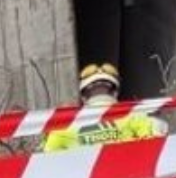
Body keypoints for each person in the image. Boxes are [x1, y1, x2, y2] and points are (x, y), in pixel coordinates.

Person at [40, 63, 169, 151]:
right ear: (115, 92)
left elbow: (48, 157)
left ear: (84, 97)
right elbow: (159, 133)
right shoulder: (131, 116)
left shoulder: (67, 125)